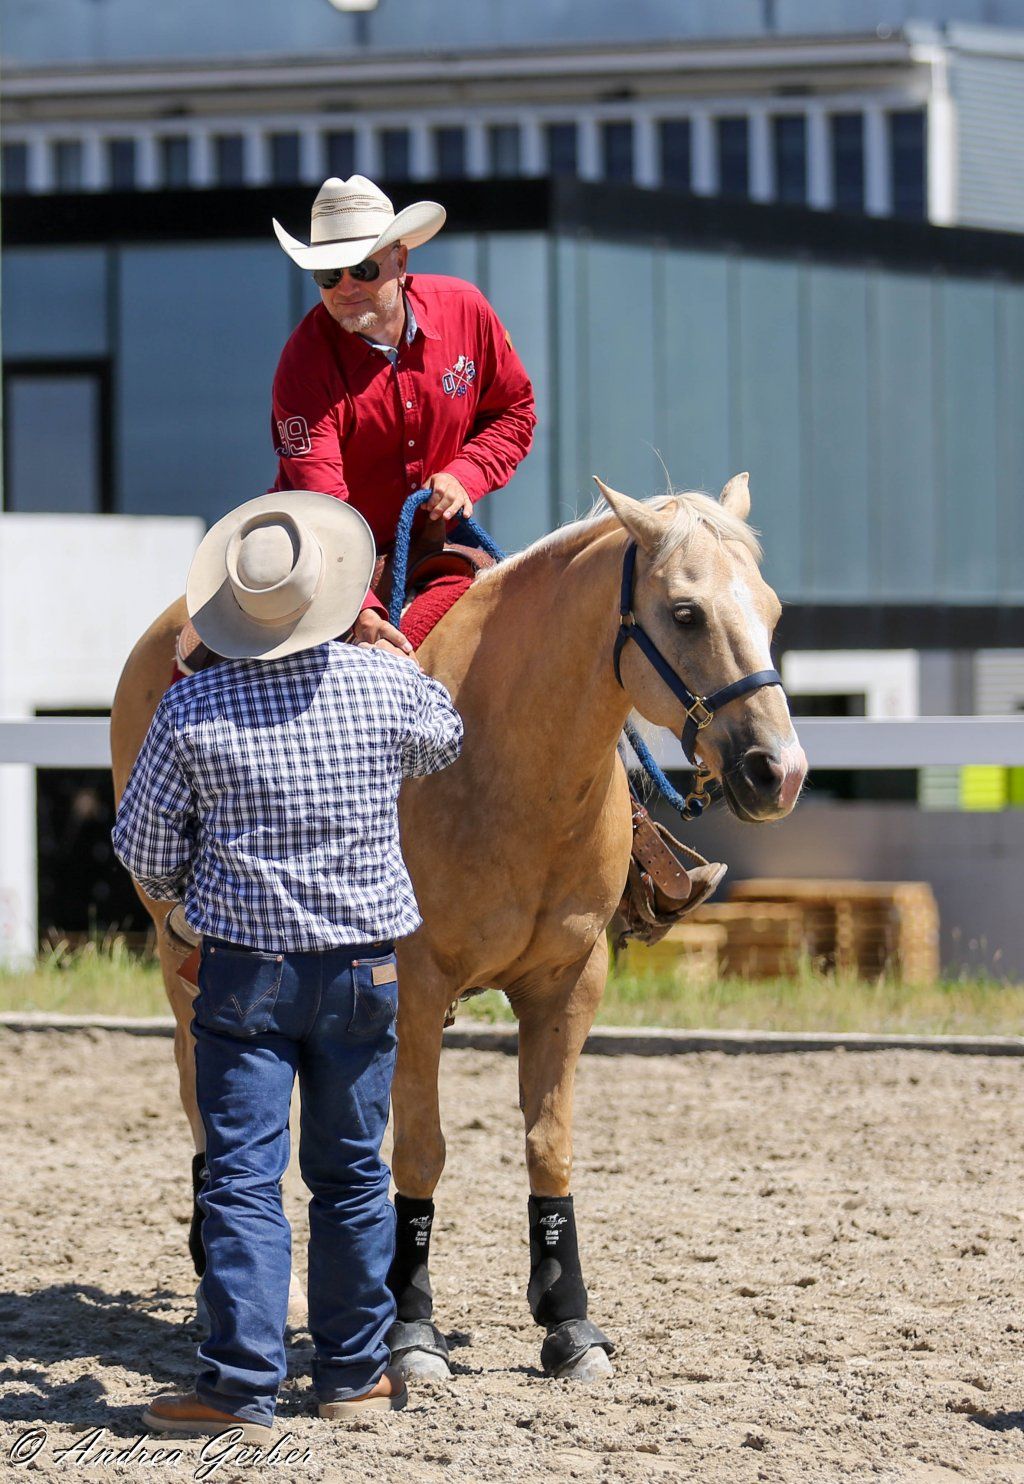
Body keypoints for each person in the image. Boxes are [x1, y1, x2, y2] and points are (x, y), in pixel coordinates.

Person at [113, 490, 464, 1442]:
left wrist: (189, 907)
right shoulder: (385, 688)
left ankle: (239, 1387)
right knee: (352, 1174)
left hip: (245, 969)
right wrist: (398, 658)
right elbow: (447, 736)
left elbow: (142, 847)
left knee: (242, 1177)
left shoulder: (191, 704)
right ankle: (354, 1373)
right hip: (363, 969)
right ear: (340, 599)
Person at [270, 173, 536, 654]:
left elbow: (514, 412)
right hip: (323, 553)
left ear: (400, 258)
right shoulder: (303, 364)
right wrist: (363, 608)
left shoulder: (467, 311)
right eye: (328, 276)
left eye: (362, 270)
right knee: (218, 644)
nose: (345, 287)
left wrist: (465, 473)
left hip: (437, 545)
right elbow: (325, 509)